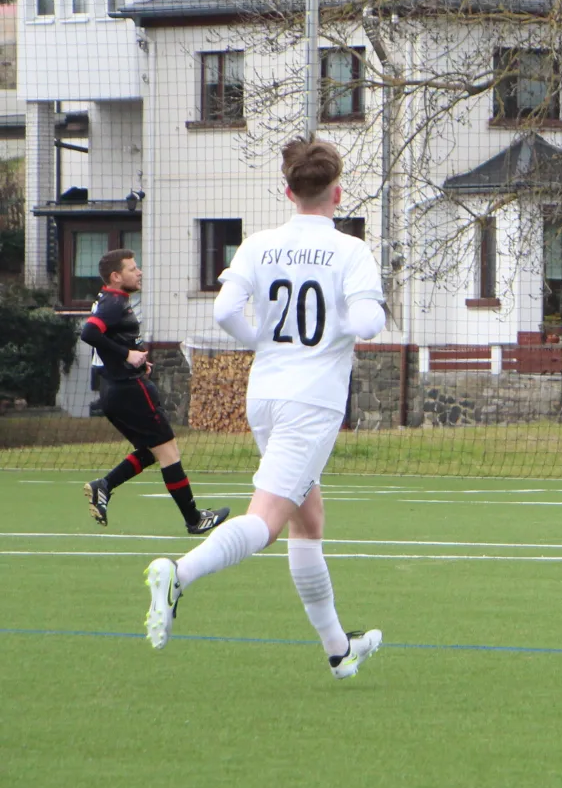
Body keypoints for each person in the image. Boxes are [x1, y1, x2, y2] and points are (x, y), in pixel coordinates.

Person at [142, 138, 387, 680]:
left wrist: (263, 340)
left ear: (288, 191)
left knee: (308, 518)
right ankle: (179, 572)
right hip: (311, 400)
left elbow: (225, 310)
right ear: (337, 193)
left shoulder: (259, 244)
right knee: (268, 521)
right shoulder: (350, 250)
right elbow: (369, 322)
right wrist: (338, 329)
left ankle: (339, 650)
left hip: (266, 395)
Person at [79, 249, 229, 534]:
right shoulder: (113, 302)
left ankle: (104, 486)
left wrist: (133, 358)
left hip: (115, 389)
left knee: (151, 450)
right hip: (129, 390)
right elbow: (89, 333)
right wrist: (127, 355)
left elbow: (108, 337)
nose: (139, 272)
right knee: (169, 451)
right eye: (132, 269)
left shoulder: (112, 300)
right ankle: (194, 519)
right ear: (116, 276)